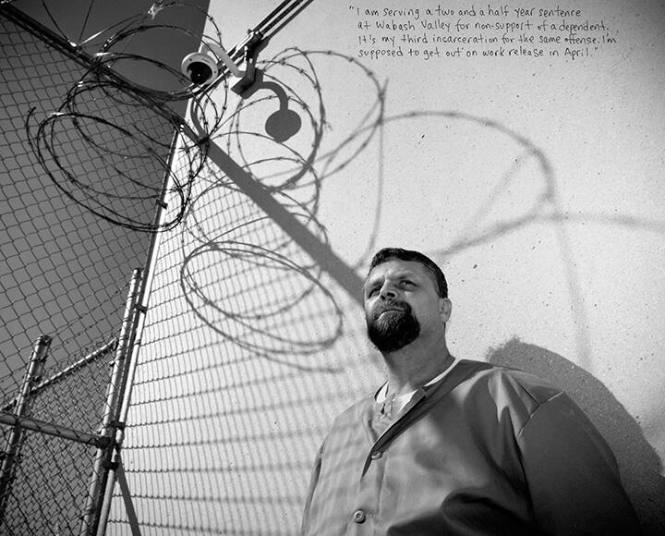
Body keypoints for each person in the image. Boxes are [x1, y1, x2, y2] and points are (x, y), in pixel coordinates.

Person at [301, 247, 640, 535]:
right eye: (374, 290)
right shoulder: (338, 435)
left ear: (444, 308)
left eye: (406, 283)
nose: (386, 292)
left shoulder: (518, 399)